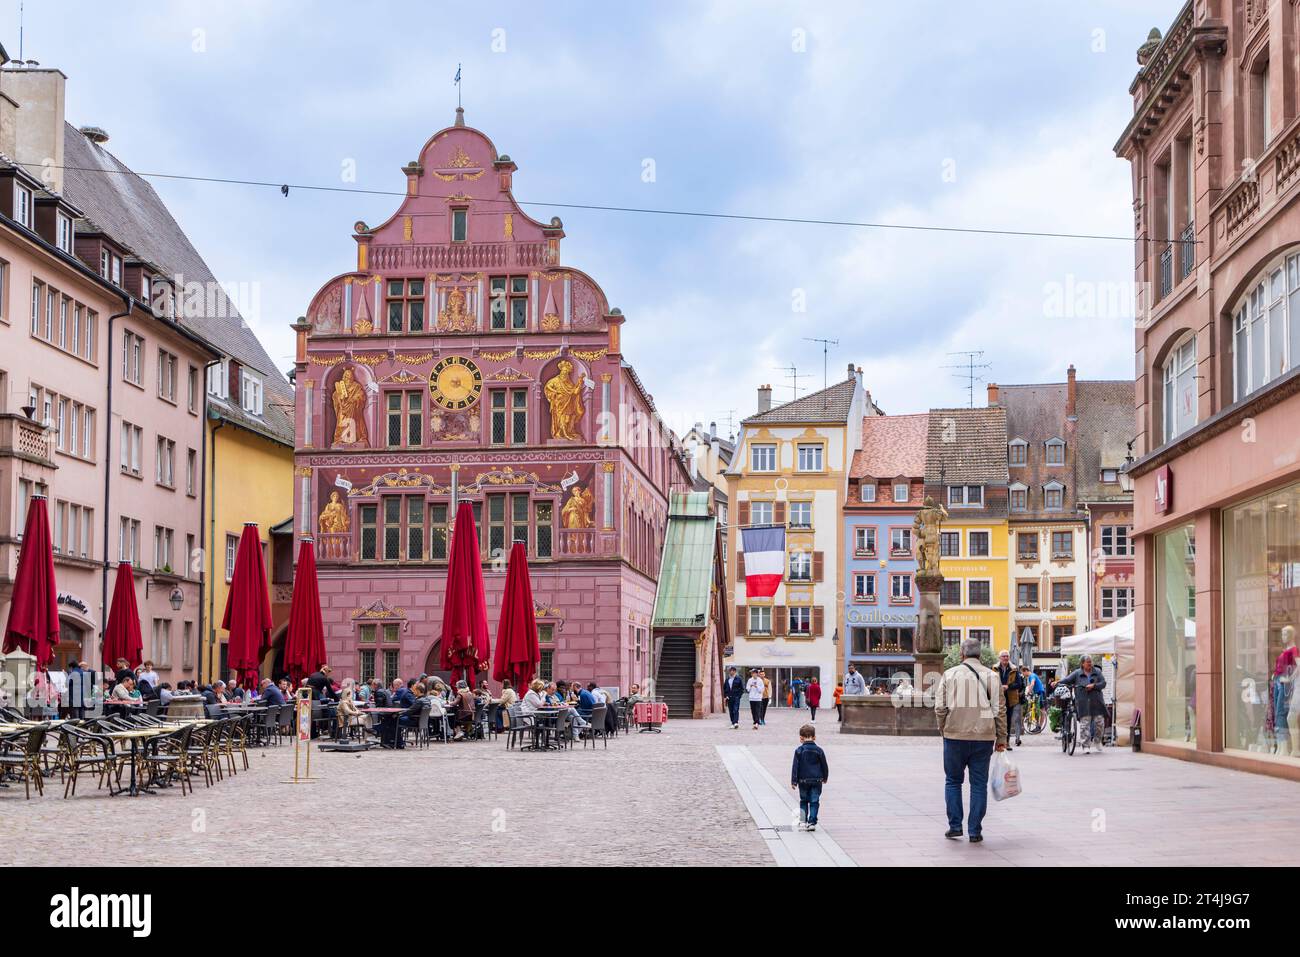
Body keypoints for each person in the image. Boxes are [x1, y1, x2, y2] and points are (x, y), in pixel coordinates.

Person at [934, 637, 1007, 843]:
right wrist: (1001, 737)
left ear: (961, 654)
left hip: (954, 735)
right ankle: (975, 830)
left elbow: (940, 708)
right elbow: (999, 711)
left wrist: (944, 729)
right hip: (984, 737)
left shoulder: (949, 674)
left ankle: (955, 826)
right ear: (980, 656)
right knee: (978, 785)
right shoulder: (992, 677)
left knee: (953, 781)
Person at [1059, 655, 1108, 754]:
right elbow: (1067, 680)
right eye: (1088, 662)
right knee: (1084, 724)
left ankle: (1097, 741)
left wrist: (1094, 685)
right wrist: (1057, 682)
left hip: (1097, 701)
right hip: (1083, 702)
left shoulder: (1097, 672)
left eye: (1091, 662)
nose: (1090, 664)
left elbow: (1103, 683)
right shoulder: (1077, 673)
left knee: (1100, 723)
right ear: (1082, 664)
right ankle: (1085, 745)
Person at [790, 723, 829, 831]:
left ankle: (803, 821)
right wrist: (825, 777)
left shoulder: (799, 750)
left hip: (802, 780)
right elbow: (824, 765)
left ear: (801, 738)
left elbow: (795, 767)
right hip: (817, 780)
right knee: (814, 800)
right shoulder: (819, 750)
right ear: (814, 737)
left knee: (803, 800)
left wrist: (794, 781)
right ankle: (812, 822)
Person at [997, 650, 1025, 748]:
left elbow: (1019, 684)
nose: (1005, 658)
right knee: (997, 720)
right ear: (999, 658)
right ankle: (998, 742)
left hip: (1010, 698)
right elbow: (990, 681)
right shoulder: (994, 668)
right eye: (1003, 656)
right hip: (997, 698)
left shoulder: (1014, 669)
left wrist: (1008, 686)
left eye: (1007, 656)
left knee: (1008, 720)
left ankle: (1007, 742)